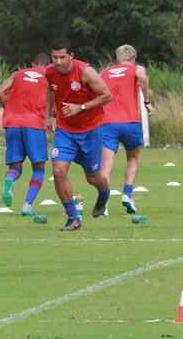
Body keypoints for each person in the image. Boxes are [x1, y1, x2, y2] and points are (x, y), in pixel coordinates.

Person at [45, 38, 112, 231]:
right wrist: (48, 115)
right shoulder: (50, 72)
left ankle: (104, 193)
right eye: (54, 57)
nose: (58, 62)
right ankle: (73, 217)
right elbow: (50, 90)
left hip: (91, 129)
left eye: (62, 57)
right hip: (65, 131)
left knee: (92, 177)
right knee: (58, 171)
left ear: (71, 56)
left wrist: (80, 107)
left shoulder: (85, 72)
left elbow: (107, 95)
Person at [99, 45, 153, 214]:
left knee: (106, 166)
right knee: (133, 159)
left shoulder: (105, 72)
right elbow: (142, 77)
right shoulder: (136, 69)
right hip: (130, 122)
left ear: (117, 58)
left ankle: (105, 203)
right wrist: (147, 101)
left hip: (107, 123)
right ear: (133, 57)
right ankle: (127, 195)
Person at [0, 52, 51, 216]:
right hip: (34, 124)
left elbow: (0, 92)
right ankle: (27, 205)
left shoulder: (17, 74)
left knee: (15, 166)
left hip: (12, 123)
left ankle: (9, 180)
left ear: (33, 63)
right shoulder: (49, 76)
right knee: (39, 168)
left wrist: (11, 107)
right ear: (47, 65)